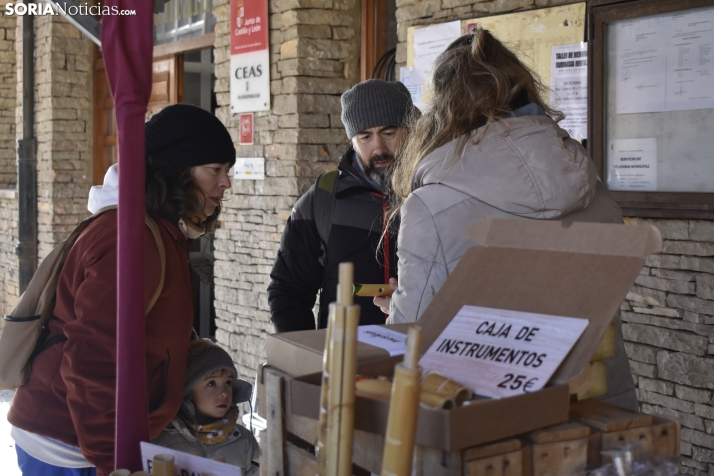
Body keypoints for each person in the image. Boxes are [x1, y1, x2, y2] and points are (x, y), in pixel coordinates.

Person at [375, 29, 637, 409]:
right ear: (523, 90)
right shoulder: (591, 186)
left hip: (492, 418)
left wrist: (397, 308)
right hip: (597, 404)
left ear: (445, 106)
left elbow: (410, 336)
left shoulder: (430, 207)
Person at [8, 104, 236, 476]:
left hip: (90, 440)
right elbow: (93, 352)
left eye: (228, 171)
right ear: (176, 170)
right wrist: (111, 459)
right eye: (216, 170)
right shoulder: (130, 237)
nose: (226, 183)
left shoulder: (159, 230)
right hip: (67, 444)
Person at [267, 79, 416, 332]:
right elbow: (289, 292)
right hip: (346, 361)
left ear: (410, 129)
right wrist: (307, 358)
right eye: (365, 136)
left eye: (389, 133)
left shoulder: (433, 192)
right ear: (352, 140)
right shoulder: (322, 201)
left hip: (424, 357)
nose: (378, 148)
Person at [152, 339, 259, 475]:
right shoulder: (162, 442)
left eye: (228, 382)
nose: (224, 393)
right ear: (188, 393)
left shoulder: (244, 441)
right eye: (211, 383)